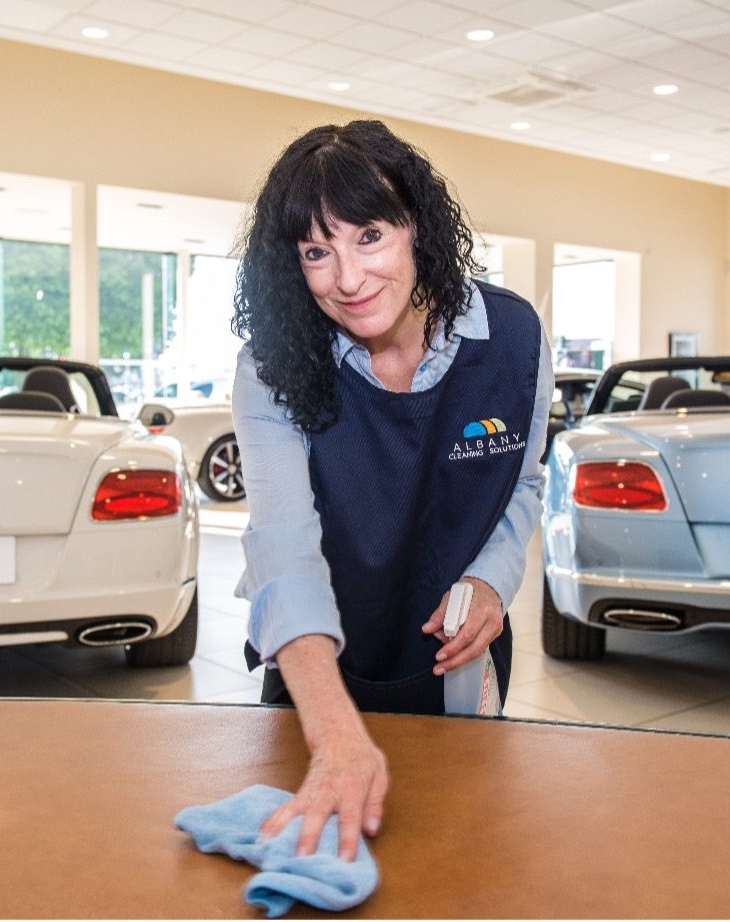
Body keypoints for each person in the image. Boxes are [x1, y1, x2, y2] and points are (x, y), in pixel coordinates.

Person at [229, 120, 553, 863]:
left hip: (452, 657)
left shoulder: (512, 338)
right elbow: (283, 548)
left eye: (369, 236)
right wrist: (337, 736)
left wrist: (491, 580)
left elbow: (521, 482)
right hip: (316, 668)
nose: (346, 278)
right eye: (317, 251)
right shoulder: (273, 364)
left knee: (460, 866)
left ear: (418, 228)